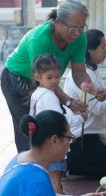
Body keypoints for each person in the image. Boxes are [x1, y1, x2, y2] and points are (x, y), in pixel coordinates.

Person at [0, 0, 106, 153]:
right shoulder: (39, 39)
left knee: (47, 125)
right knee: (31, 128)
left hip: (45, 82)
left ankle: (48, 166)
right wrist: (70, 102)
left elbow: (79, 72)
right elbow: (45, 81)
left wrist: (95, 90)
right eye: (73, 29)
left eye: (81, 27)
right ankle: (30, 166)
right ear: (57, 22)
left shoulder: (80, 38)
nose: (77, 33)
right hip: (17, 79)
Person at [63, 29, 106, 178]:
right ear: (90, 50)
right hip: (80, 137)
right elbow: (99, 108)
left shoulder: (93, 71)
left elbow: (105, 101)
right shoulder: (80, 76)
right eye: (103, 47)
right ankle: (69, 165)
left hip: (92, 135)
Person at [0, 110, 106, 196]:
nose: (70, 143)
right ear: (54, 140)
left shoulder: (22, 158)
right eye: (69, 138)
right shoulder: (36, 179)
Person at [29, 53, 87, 194]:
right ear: (37, 77)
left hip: (42, 143)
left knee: (49, 178)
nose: (54, 81)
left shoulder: (37, 93)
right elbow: (59, 121)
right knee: (56, 180)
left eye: (57, 76)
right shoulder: (48, 96)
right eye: (49, 77)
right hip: (53, 145)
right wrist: (80, 118)